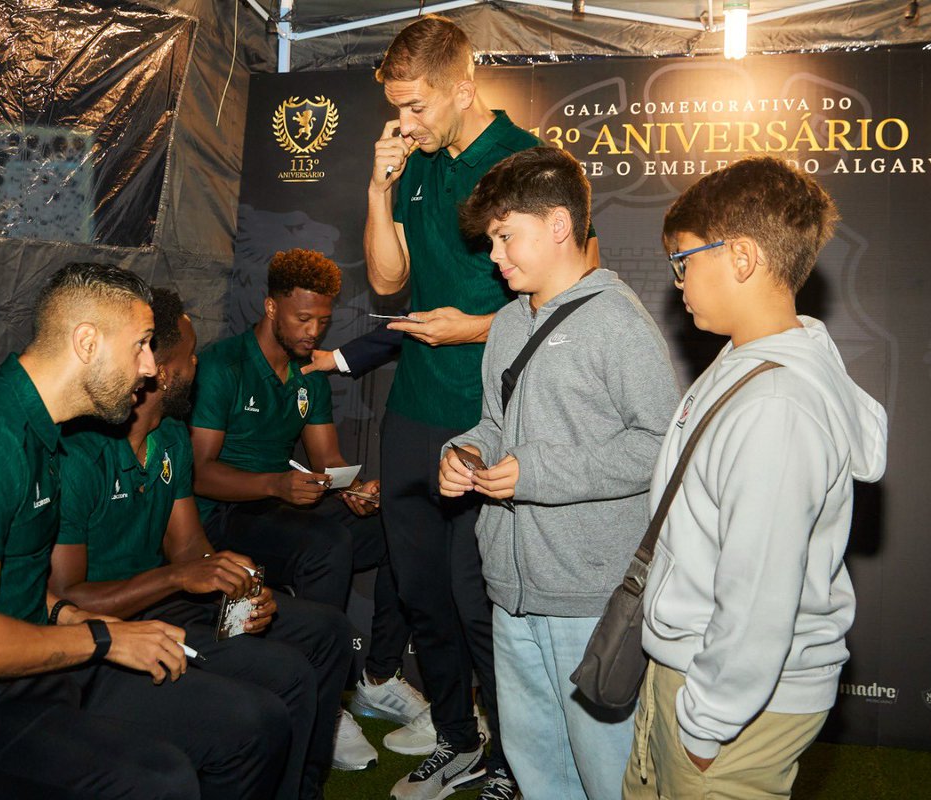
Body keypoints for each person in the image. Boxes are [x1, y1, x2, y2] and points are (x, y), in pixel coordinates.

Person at [0, 263, 289, 800]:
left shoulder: (41, 431)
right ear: (87, 342)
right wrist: (105, 638)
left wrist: (83, 619)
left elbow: (14, 581)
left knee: (255, 721)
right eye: (139, 345)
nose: (148, 368)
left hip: (33, 674)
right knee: (160, 781)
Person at [364, 16, 596, 800]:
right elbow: (389, 281)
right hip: (416, 405)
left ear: (464, 87)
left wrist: (473, 328)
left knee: (479, 600)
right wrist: (379, 186)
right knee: (420, 586)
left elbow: (576, 295)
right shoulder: (416, 159)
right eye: (396, 108)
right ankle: (458, 738)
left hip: (495, 412)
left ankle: (511, 757)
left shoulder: (527, 161)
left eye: (418, 107)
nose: (406, 123)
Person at [622, 156, 888, 798]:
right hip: (695, 672)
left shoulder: (776, 408)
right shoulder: (747, 363)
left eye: (684, 259)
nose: (678, 281)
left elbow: (759, 594)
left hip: (732, 704)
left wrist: (707, 724)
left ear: (740, 256)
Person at [439, 147, 680, 800]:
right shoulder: (508, 323)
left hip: (590, 601)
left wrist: (536, 472)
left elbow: (661, 445)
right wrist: (466, 455)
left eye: (504, 236)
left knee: (609, 774)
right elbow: (494, 426)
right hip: (512, 594)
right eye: (493, 240)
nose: (495, 256)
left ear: (556, 225)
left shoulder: (617, 321)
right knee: (536, 765)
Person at [51, 287, 355, 800]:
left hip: (169, 605)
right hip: (108, 632)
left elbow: (190, 547)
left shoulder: (169, 438)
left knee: (326, 633)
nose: (198, 364)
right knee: (279, 685)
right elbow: (67, 598)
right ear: (158, 369)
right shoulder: (79, 453)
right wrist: (177, 577)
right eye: (190, 356)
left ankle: (302, 789)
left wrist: (236, 583)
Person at [188, 247, 423, 771]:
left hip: (282, 505)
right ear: (271, 308)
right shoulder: (223, 364)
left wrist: (356, 490)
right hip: (226, 513)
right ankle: (319, 704)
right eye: (303, 318)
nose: (315, 330)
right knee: (326, 544)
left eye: (323, 319)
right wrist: (274, 484)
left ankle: (377, 676)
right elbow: (199, 472)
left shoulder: (309, 373)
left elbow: (328, 461)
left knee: (398, 527)